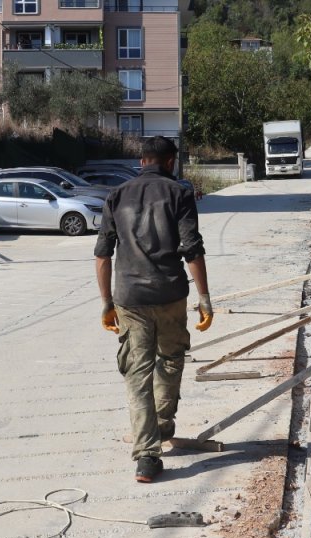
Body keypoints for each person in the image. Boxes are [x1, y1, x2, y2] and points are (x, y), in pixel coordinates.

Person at [94, 136, 213, 483]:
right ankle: (162, 423)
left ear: (141, 160)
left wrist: (106, 303)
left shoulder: (116, 196)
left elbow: (103, 255)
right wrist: (204, 298)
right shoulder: (179, 193)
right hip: (171, 293)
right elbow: (192, 248)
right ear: (169, 161)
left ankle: (147, 456)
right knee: (172, 358)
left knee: (137, 375)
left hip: (129, 298)